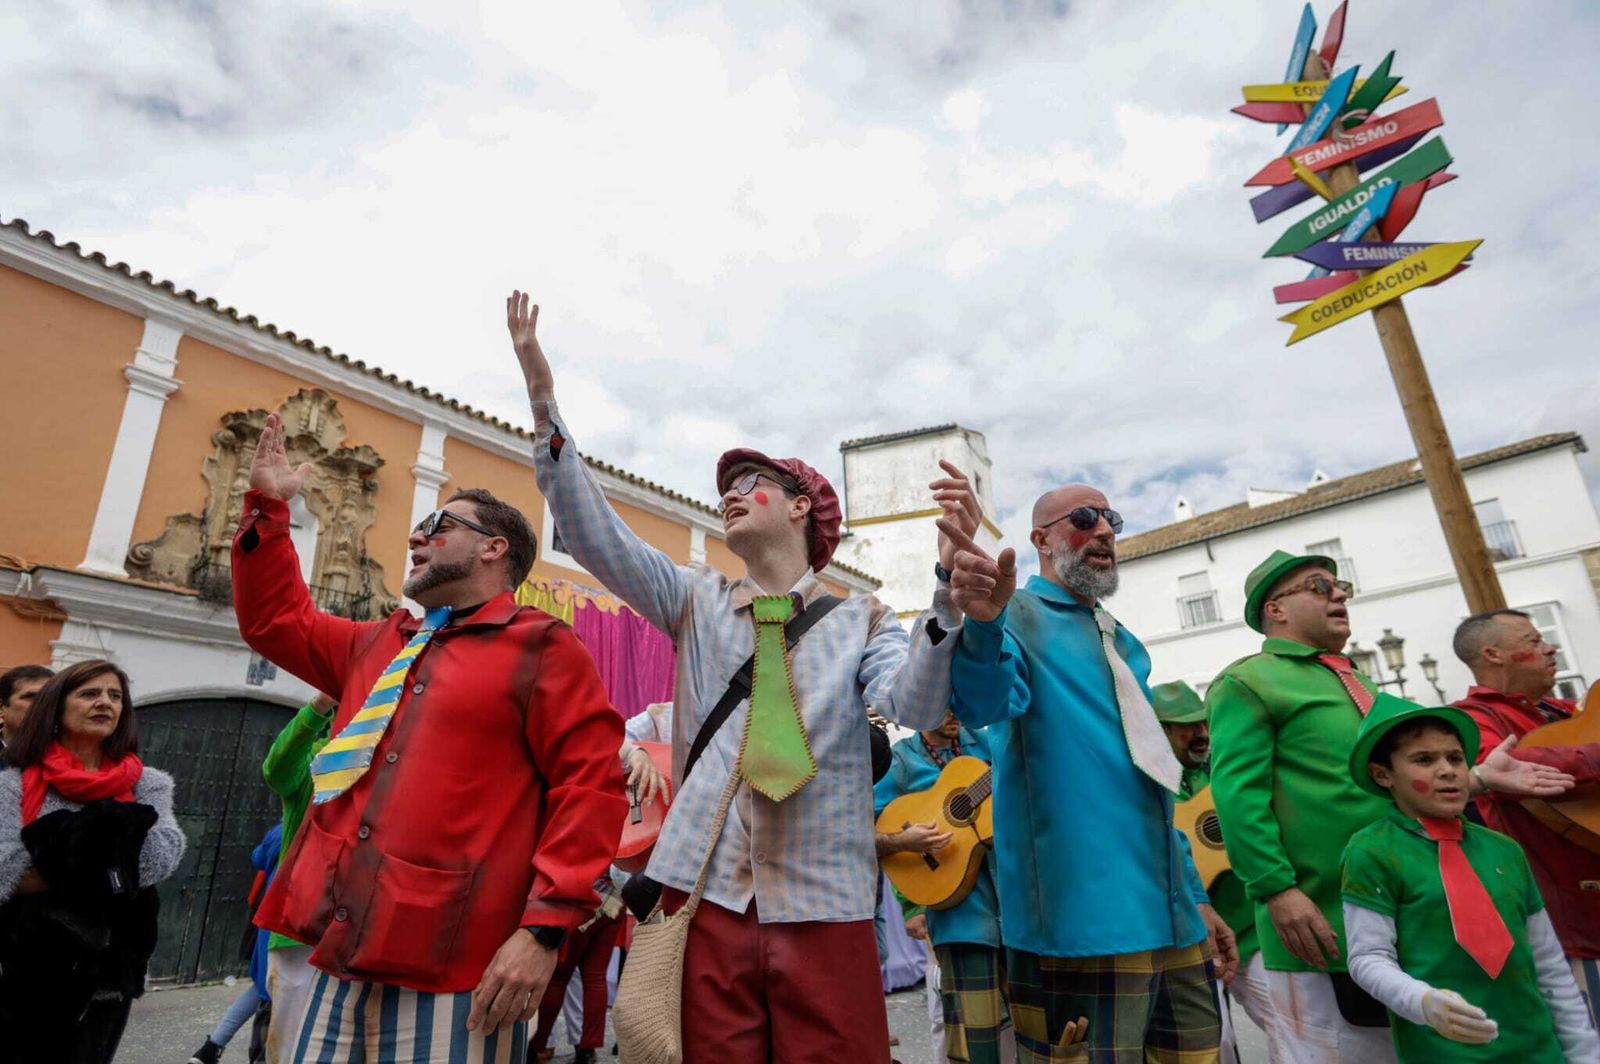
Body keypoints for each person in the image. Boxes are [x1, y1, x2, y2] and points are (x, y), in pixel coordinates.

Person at [508, 290, 968, 1062]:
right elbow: (595, 536)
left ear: (801, 508)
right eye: (727, 483)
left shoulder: (864, 618)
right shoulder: (695, 599)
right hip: (708, 897)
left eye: (752, 481)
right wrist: (543, 402)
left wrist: (947, 595)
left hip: (826, 902)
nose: (729, 492)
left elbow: (914, 703)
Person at [233, 412, 627, 1062]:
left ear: (493, 548)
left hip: (461, 969)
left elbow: (590, 789)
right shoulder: (377, 644)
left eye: (439, 525)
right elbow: (274, 619)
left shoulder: (543, 647)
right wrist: (268, 512)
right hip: (337, 948)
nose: (416, 536)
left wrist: (544, 931)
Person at [1206, 550, 1575, 1064]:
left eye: (1341, 585)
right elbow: (1237, 794)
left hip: (1408, 915)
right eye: (1319, 586)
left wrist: (1478, 779)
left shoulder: (1358, 679)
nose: (1339, 593)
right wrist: (1276, 889)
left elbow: (1388, 782)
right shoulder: (1249, 681)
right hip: (1319, 921)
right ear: (1276, 609)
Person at [941, 486, 1233, 1062]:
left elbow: (1150, 786)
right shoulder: (1015, 615)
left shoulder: (1123, 640)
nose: (1103, 529)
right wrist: (983, 626)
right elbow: (980, 703)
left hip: (1173, 917)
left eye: (1111, 519)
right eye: (1083, 517)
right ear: (1041, 539)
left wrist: (1195, 896)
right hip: (1083, 923)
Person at [1341, 694, 1600, 1063]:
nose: (1447, 770)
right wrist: (1423, 1002)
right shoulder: (1371, 851)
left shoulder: (1505, 850)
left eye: (1455, 758)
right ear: (1383, 775)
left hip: (1539, 1051)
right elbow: (1368, 957)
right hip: (1443, 1054)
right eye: (1424, 760)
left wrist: (1584, 1053)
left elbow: (1549, 965)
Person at [0, 659, 186, 1064]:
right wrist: (111, 862)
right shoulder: (13, 782)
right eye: (89, 693)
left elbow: (163, 854)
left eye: (114, 696)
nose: (105, 702)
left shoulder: (148, 783)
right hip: (27, 970)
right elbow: (5, 869)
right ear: (56, 706)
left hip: (110, 973)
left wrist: (62, 857)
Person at [1452, 609, 1600, 1034]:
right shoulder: (1471, 720)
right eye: (1533, 641)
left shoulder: (1564, 710)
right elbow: (1507, 765)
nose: (1550, 648)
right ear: (1492, 654)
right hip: (1573, 923)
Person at [875, 711, 1012, 1064]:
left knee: (1034, 1030)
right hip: (960, 921)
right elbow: (865, 828)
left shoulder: (989, 744)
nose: (954, 712)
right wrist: (903, 842)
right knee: (973, 1040)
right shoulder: (902, 760)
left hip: (1017, 911)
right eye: (943, 705)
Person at [1154, 680, 1274, 1063]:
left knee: (1290, 1025)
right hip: (1192, 942)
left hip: (1251, 932)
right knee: (1213, 1044)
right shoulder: (1152, 788)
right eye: (1186, 727)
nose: (1201, 733)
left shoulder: (1223, 773)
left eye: (1203, 723)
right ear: (1160, 731)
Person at [258, 692, 336, 1063]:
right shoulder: (316, 762)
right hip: (301, 933)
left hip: (361, 938)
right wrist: (319, 706)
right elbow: (277, 770)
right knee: (290, 1052)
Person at [189, 823, 284, 1064]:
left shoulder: (280, 830)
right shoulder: (310, 829)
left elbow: (258, 857)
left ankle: (210, 1047)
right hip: (288, 932)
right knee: (273, 1000)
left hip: (266, 925)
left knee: (262, 990)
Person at [526, 874, 623, 1064]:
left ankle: (536, 1046)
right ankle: (587, 1050)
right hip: (614, 897)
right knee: (595, 977)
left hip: (584, 896)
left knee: (558, 978)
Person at [0, 664, 52, 750]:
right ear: (2, 707)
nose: (43, 704)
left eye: (50, 698)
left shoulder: (68, 753)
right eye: (32, 697)